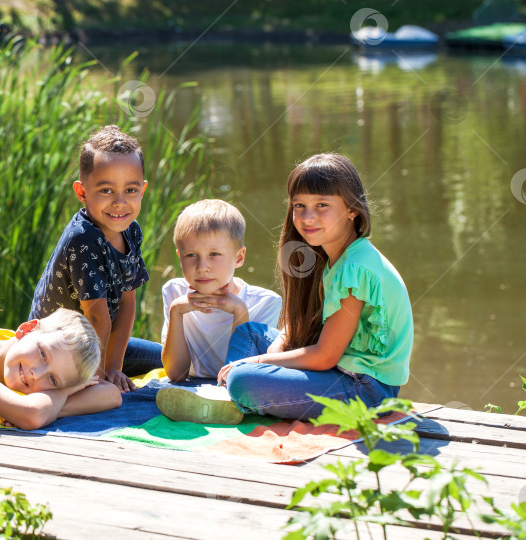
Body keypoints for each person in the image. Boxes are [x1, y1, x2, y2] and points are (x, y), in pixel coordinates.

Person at [157, 153, 414, 423]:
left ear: (353, 210)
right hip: (341, 370)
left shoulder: (354, 269)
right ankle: (228, 397)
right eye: (299, 205)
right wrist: (275, 350)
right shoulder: (337, 258)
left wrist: (258, 363)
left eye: (322, 205)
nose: (307, 217)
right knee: (249, 333)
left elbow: (325, 356)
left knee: (244, 379)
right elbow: (300, 328)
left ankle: (234, 394)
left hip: (366, 390)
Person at [29, 125, 161, 393]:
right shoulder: (84, 238)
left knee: (165, 358)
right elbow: (97, 318)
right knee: (104, 393)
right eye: (106, 191)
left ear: (143, 190)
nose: (120, 203)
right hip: (56, 347)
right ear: (82, 192)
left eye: (131, 190)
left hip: (95, 342)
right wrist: (99, 379)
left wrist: (114, 367)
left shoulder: (130, 231)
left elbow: (127, 302)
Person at [160, 199, 281, 382]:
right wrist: (176, 310)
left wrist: (239, 311)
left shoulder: (266, 302)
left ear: (239, 257)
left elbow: (242, 378)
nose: (202, 267)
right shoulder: (174, 291)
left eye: (214, 254)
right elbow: (176, 375)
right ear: (180, 257)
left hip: (232, 386)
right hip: (190, 378)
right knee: (122, 349)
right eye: (191, 255)